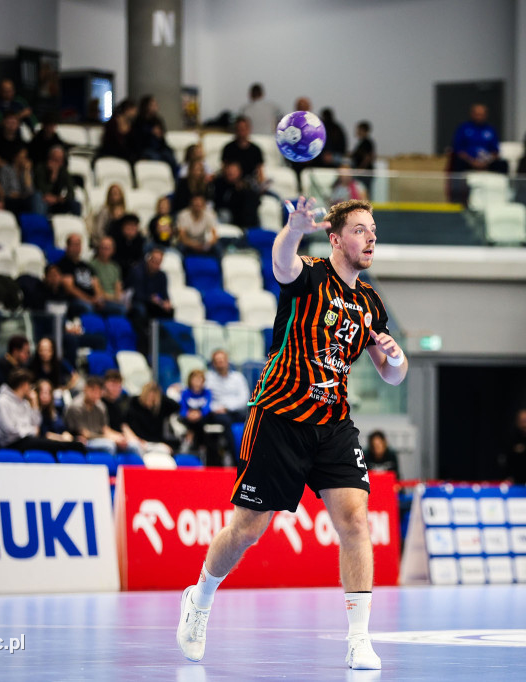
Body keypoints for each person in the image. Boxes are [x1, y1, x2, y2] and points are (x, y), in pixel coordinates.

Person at [176, 197, 407, 670]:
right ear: (337, 238)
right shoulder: (309, 275)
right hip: (279, 416)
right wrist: (294, 228)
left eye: (374, 230)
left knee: (356, 521)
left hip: (333, 423)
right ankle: (199, 599)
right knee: (247, 530)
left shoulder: (370, 303)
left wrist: (396, 357)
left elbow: (391, 374)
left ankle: (359, 638)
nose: (371, 238)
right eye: (361, 230)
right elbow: (281, 261)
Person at [0, 369, 75, 452]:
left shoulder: (24, 403)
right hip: (11, 444)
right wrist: (32, 431)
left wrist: (35, 404)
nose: (31, 387)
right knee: (54, 445)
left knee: (55, 445)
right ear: (23, 384)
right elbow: (10, 431)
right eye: (29, 384)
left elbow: (36, 423)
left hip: (26, 440)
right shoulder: (2, 402)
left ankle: (76, 446)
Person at [204, 348, 250, 460]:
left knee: (254, 420)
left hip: (235, 411)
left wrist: (227, 407)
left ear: (227, 361)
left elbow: (244, 398)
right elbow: (204, 398)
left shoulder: (238, 378)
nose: (220, 363)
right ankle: (235, 459)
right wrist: (217, 408)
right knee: (226, 422)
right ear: (213, 364)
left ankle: (253, 456)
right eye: (217, 361)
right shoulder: (208, 378)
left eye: (222, 360)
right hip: (217, 413)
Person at [65, 376, 126, 451]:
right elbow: (84, 434)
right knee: (109, 445)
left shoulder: (101, 406)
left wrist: (119, 437)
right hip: (81, 441)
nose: (95, 394)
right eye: (93, 390)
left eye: (98, 391)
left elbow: (105, 428)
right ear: (85, 388)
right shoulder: (76, 407)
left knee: (131, 445)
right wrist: (109, 438)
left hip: (100, 438)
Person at [449, 103, 508, 174]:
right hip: (468, 161)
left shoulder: (490, 130)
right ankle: (456, 185)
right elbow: (458, 150)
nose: (479, 117)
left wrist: (485, 162)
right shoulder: (463, 128)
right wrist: (472, 162)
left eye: (481, 115)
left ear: (486, 115)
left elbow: (495, 151)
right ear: (472, 114)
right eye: (477, 114)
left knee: (503, 164)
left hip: (486, 162)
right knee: (457, 162)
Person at [125, 382, 180, 454]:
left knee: (166, 450)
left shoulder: (162, 405)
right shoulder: (134, 403)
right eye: (148, 396)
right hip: (139, 442)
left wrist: (159, 394)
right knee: (136, 448)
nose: (151, 399)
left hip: (157, 443)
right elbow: (124, 423)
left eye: (154, 398)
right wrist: (136, 439)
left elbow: (177, 406)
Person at [34, 145, 80, 215]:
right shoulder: (41, 169)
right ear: (49, 158)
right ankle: (43, 223)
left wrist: (58, 199)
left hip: (56, 201)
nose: (58, 163)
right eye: (55, 159)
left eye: (60, 160)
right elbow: (41, 190)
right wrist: (52, 177)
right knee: (40, 202)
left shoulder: (63, 171)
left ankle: (76, 224)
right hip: (43, 201)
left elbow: (71, 192)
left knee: (75, 204)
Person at [220, 116, 265, 186]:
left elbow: (260, 172)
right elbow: (224, 169)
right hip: (231, 183)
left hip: (249, 184)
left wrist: (261, 184)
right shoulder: (228, 148)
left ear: (248, 130)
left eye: (243, 129)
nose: (241, 132)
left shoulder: (256, 150)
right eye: (239, 129)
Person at [179, 369, 213, 457]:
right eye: (195, 379)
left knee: (201, 422)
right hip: (189, 418)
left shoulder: (207, 393)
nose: (197, 382)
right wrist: (188, 414)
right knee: (188, 421)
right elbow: (182, 408)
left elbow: (207, 408)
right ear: (190, 380)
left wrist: (199, 414)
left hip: (201, 418)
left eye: (200, 379)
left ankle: (190, 439)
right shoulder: (185, 393)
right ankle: (195, 443)